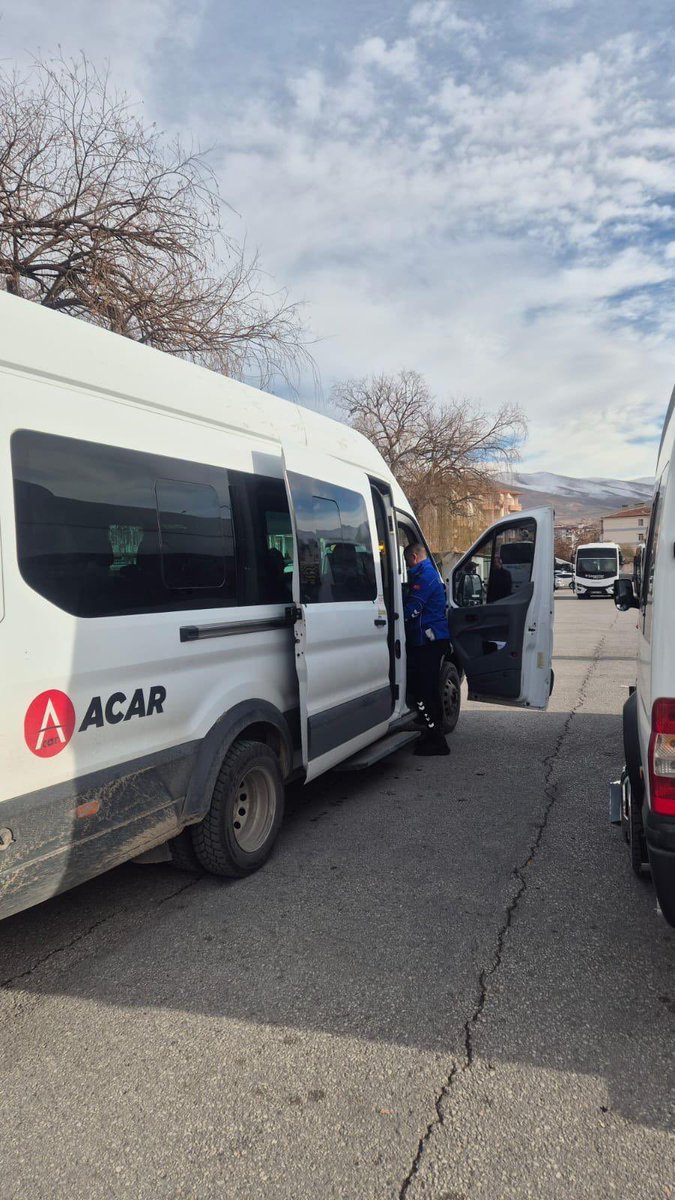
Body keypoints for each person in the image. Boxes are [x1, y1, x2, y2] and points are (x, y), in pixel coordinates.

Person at [403, 542, 450, 757]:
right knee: (427, 690)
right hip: (429, 640)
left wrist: (393, 620)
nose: (407, 566)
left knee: (424, 691)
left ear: (414, 557)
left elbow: (413, 609)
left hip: (427, 641)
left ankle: (437, 741)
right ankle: (432, 733)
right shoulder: (429, 573)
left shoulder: (425, 576)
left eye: (407, 562)